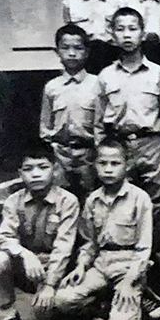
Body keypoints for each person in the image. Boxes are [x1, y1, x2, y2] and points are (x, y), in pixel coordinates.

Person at [93, 7, 160, 302]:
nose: (127, 35)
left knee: (158, 211)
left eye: (133, 29)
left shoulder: (158, 74)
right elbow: (99, 122)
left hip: (151, 145)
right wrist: (103, 154)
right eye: (121, 29)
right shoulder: (105, 76)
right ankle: (126, 277)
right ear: (112, 35)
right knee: (122, 210)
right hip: (119, 148)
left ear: (143, 34)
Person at [53, 139, 157, 320]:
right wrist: (81, 266)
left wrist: (129, 280)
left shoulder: (140, 198)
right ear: (94, 166)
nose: (108, 169)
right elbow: (89, 243)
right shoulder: (92, 200)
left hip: (128, 265)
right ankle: (104, 305)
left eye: (115, 163)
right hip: (101, 265)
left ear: (127, 165)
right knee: (63, 300)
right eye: (103, 163)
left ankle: (140, 295)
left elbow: (144, 249)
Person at [0, 143, 80, 320]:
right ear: (20, 173)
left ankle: (70, 313)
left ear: (55, 170)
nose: (36, 174)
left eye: (43, 167)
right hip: (29, 269)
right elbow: (3, 236)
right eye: (28, 169)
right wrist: (25, 254)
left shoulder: (68, 201)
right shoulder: (13, 201)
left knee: (50, 315)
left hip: (59, 269)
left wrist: (49, 285)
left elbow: (64, 248)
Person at [39, 24, 100, 201]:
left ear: (87, 52)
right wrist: (53, 149)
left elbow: (102, 123)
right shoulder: (52, 87)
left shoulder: (97, 84)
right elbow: (45, 125)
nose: (72, 53)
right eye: (65, 48)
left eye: (78, 48)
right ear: (57, 52)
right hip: (61, 155)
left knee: (91, 200)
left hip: (89, 154)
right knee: (60, 200)